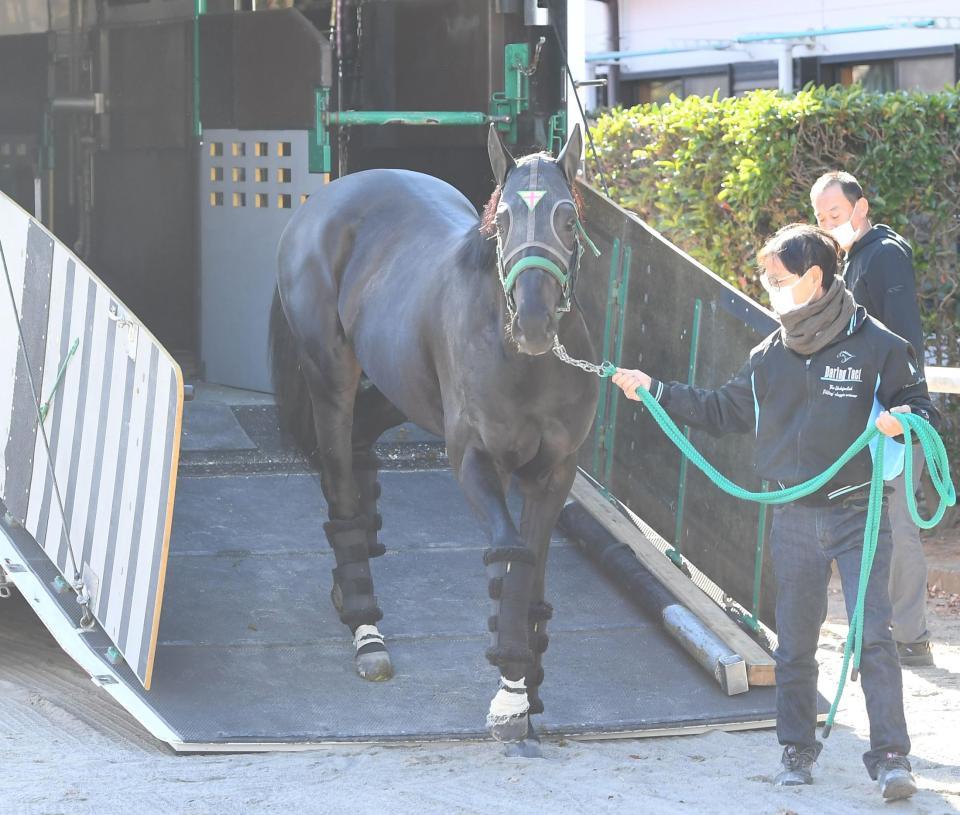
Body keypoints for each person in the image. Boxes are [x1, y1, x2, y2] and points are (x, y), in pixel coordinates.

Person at [612, 223, 938, 801]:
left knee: (874, 638)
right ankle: (796, 747)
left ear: (814, 278)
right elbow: (720, 410)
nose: (769, 288)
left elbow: (919, 408)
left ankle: (890, 758)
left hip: (857, 511)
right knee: (794, 642)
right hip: (791, 514)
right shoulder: (770, 353)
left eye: (777, 278)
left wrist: (903, 420)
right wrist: (653, 389)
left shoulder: (878, 344)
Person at [811, 171, 933, 668]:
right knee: (868, 526)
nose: (827, 224)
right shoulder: (853, 259)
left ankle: (911, 637)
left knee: (899, 526)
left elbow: (905, 335)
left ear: (861, 208)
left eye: (834, 215)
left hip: (895, 415)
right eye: (820, 218)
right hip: (865, 417)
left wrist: (906, 407)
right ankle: (877, 629)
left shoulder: (884, 255)